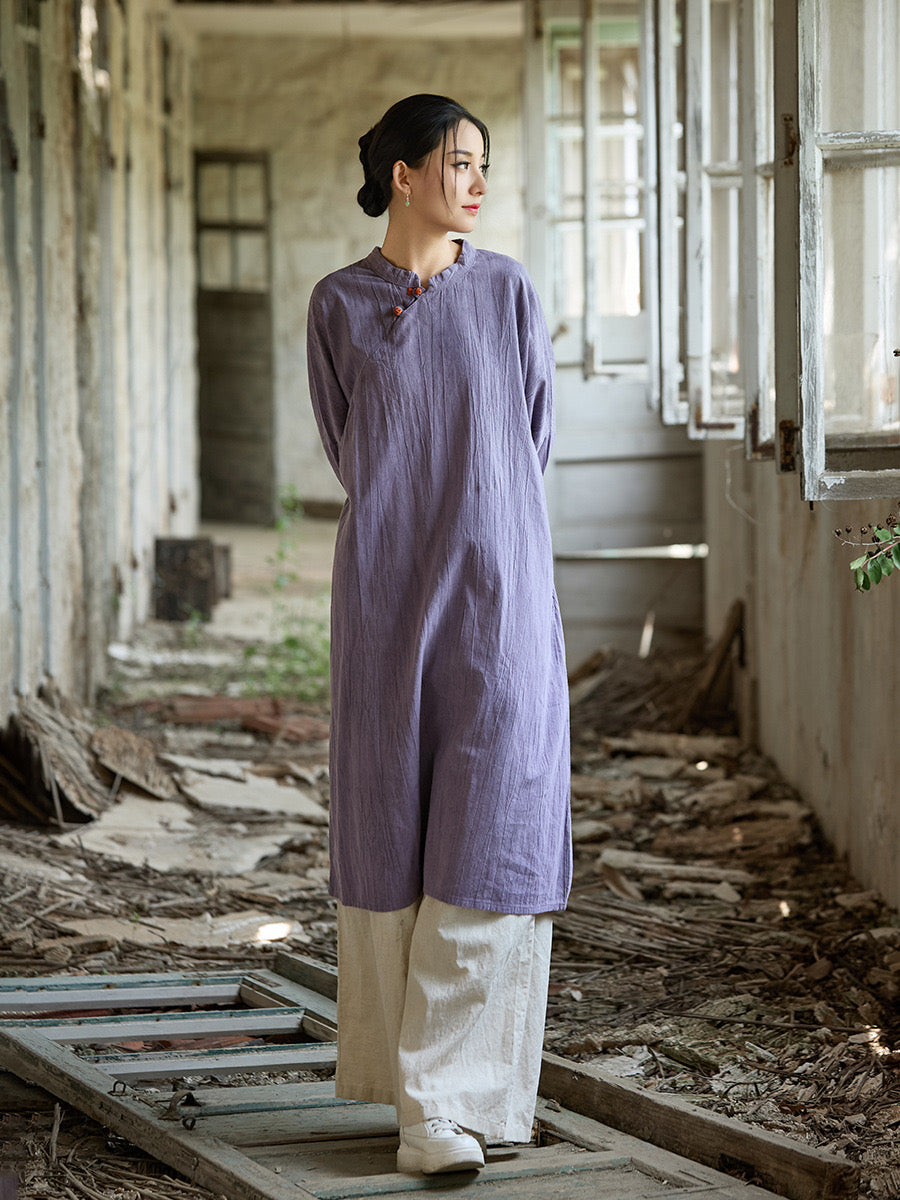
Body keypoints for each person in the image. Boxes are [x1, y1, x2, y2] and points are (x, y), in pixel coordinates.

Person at [306, 93, 571, 1177]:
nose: (478, 182)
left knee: (491, 826)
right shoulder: (338, 305)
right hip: (384, 599)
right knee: (390, 827)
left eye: (483, 164)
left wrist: (481, 525)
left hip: (499, 597)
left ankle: (447, 1108)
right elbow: (349, 447)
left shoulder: (507, 291)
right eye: (459, 162)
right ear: (404, 175)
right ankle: (420, 1096)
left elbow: (532, 438)